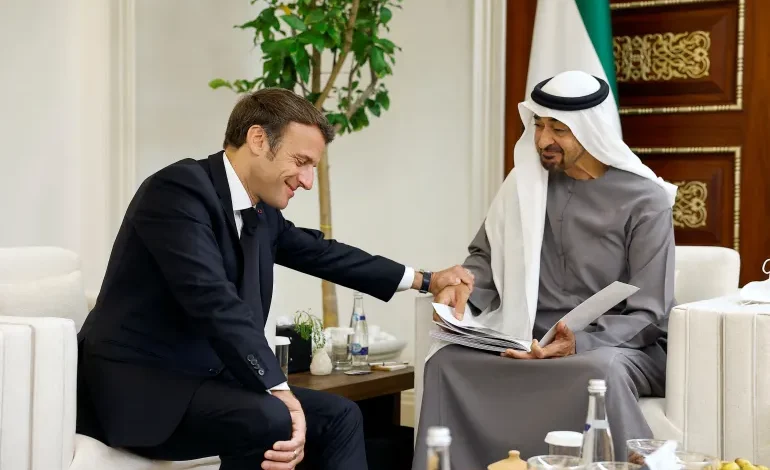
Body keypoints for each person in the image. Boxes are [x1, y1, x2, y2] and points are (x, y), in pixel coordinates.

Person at [75, 87, 474, 470]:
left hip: (202, 385)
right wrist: (278, 388)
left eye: (312, 167)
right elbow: (212, 301)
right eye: (301, 162)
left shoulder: (261, 213)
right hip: (140, 393)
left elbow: (324, 254)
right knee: (271, 416)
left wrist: (427, 278)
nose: (307, 180)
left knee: (341, 415)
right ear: (258, 139)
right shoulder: (176, 191)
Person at [412, 70, 678, 469]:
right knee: (446, 361)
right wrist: (464, 285)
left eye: (559, 129)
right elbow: (484, 259)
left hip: (618, 346)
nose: (542, 140)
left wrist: (579, 343)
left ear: (592, 130)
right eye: (538, 125)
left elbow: (650, 312)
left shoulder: (646, 200)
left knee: (596, 370)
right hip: (527, 336)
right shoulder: (524, 185)